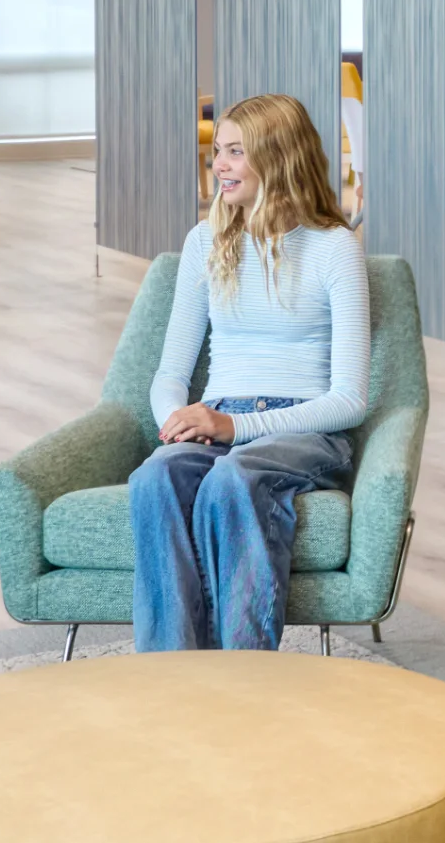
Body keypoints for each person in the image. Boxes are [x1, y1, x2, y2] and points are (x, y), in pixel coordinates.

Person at [131, 90, 368, 653]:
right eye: (219, 151)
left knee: (232, 481)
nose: (219, 166)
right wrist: (177, 423)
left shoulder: (334, 248)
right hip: (217, 419)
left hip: (305, 430)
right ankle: (172, 673)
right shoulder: (205, 242)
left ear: (278, 156)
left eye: (235, 152)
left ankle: (246, 675)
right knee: (154, 477)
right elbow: (170, 373)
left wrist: (233, 430)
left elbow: (351, 399)